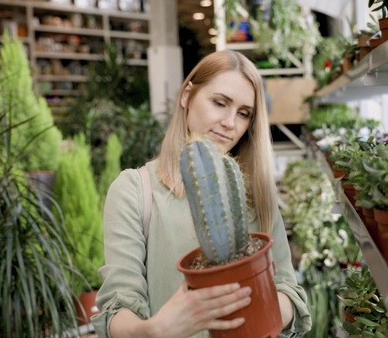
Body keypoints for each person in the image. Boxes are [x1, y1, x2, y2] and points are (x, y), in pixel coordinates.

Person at [92, 50, 312, 338]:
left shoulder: (255, 193)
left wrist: (261, 313)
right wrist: (155, 330)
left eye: (244, 113)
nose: (230, 123)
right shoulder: (135, 190)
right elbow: (117, 307)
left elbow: (288, 290)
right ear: (186, 96)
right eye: (219, 103)